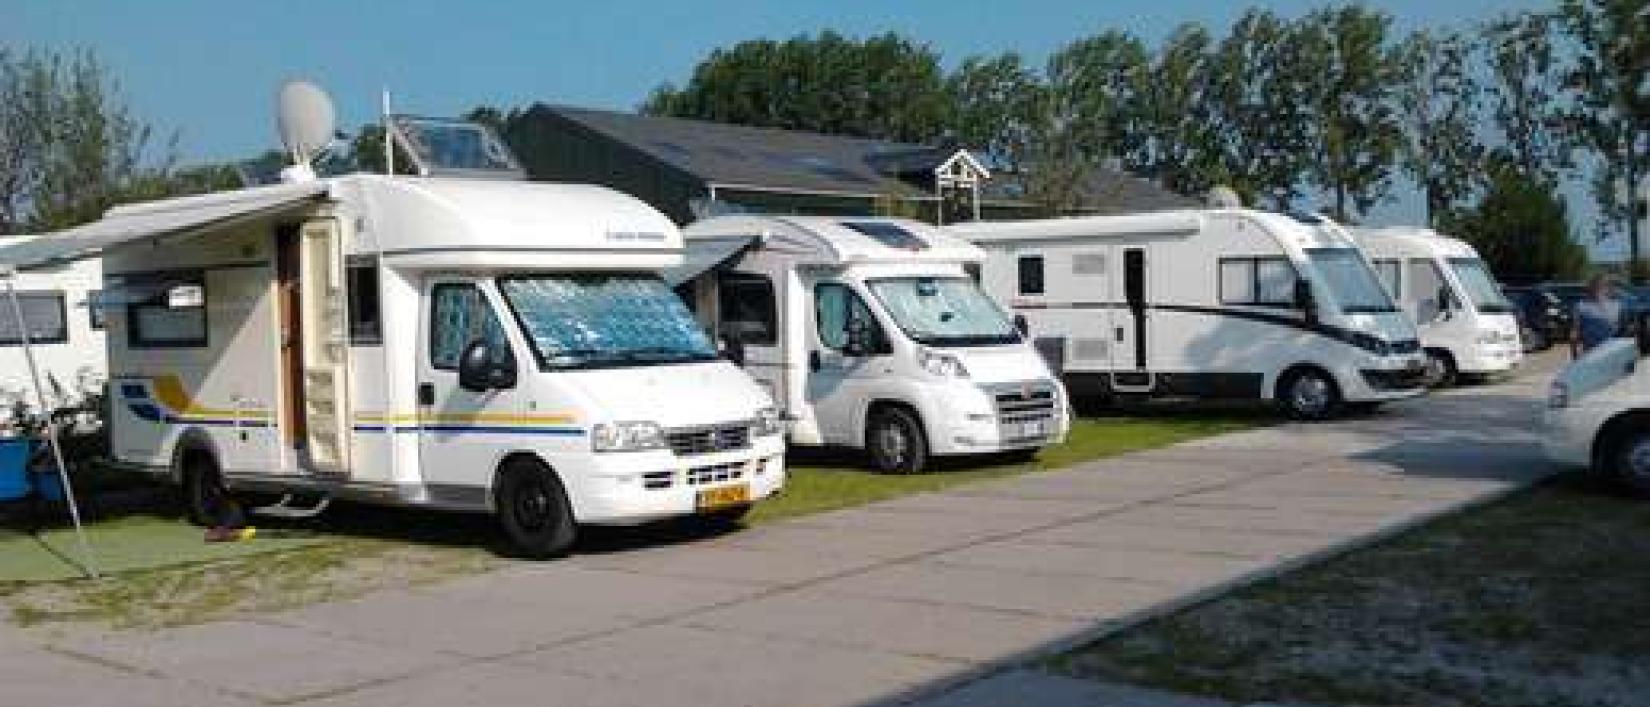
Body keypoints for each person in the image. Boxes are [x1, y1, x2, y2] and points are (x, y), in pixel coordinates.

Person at [1571, 274, 1624, 357]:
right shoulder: (1581, 306)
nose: (1598, 289)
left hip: (1611, 351)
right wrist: (1575, 354)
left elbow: (1622, 331)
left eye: (1603, 286)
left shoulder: (1616, 306)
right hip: (1591, 352)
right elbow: (1575, 331)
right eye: (1596, 286)